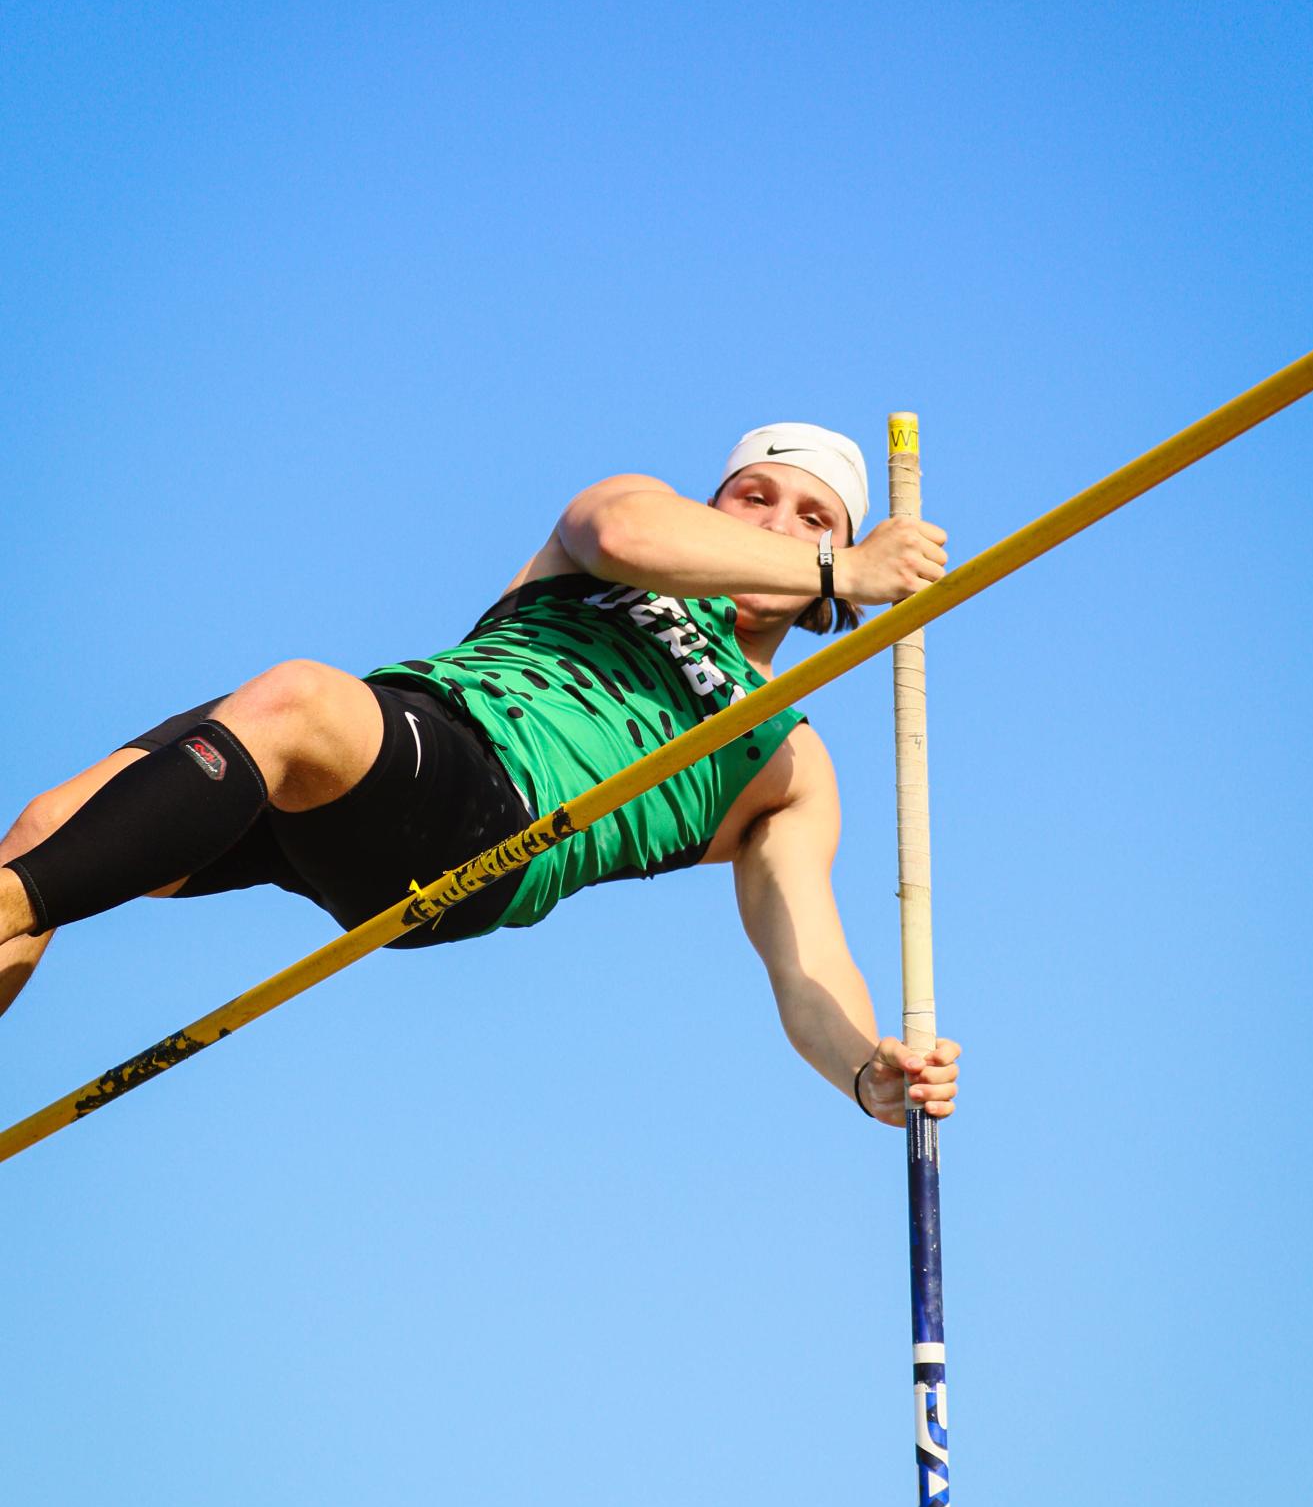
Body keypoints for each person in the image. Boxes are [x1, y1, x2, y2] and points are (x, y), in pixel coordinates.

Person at [0, 423, 960, 1124]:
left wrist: (865, 1071)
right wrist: (842, 574)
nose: (780, 523)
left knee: (297, 697)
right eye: (755, 495)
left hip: (498, 825)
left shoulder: (787, 762)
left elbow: (807, 963)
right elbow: (623, 532)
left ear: (843, 553)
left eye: (814, 518)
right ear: (714, 507)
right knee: (51, 827)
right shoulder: (634, 524)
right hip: (394, 740)